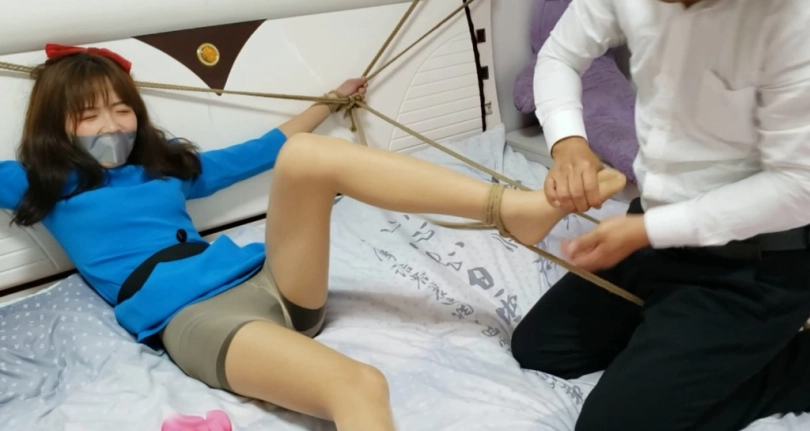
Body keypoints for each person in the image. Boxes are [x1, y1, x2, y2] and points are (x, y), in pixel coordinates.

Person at [0, 44, 626, 430]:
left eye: (121, 109)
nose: (111, 125)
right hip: (195, 318)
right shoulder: (42, 183)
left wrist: (330, 102)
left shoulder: (164, 168)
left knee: (304, 155)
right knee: (359, 385)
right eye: (88, 114)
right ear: (57, 125)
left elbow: (267, 148)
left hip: (270, 282)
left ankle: (511, 210)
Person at [510, 0, 810, 430]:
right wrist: (569, 143)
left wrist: (648, 230)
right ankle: (674, 342)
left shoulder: (791, 18)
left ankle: (793, 366)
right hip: (652, 228)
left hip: (755, 262)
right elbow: (558, 55)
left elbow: (798, 187)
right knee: (540, 348)